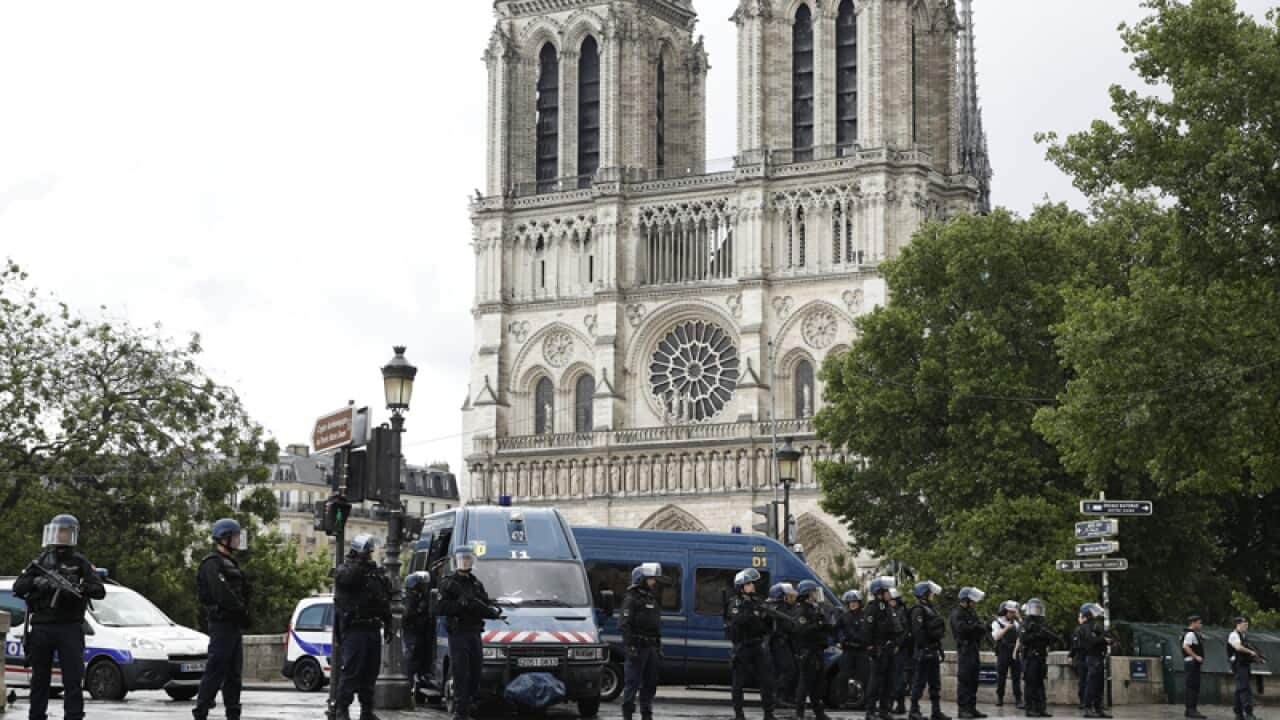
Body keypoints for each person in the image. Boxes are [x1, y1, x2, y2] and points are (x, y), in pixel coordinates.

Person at [12, 514, 106, 720]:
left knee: (72, 679)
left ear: (72, 534)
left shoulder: (80, 562)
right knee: (39, 680)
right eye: (58, 531)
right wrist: (37, 583)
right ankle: (36, 716)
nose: (61, 536)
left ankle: (73, 717)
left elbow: (99, 590)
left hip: (69, 627)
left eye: (65, 532)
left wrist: (79, 586)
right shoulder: (41, 561)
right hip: (42, 628)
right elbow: (18, 587)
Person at [192, 518, 251, 720]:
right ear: (224, 538)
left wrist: (243, 613)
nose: (237, 540)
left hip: (233, 625)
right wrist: (240, 612)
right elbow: (222, 594)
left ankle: (233, 713)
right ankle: (201, 712)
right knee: (215, 670)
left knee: (234, 674)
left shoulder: (230, 562)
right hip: (222, 624)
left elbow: (240, 590)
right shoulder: (211, 563)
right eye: (234, 536)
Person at [437, 544, 502, 720]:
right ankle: (460, 711)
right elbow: (439, 607)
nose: (465, 562)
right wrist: (460, 605)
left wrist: (494, 610)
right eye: (462, 559)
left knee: (475, 671)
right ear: (456, 561)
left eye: (467, 558)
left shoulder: (476, 583)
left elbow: (485, 602)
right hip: (459, 633)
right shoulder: (449, 583)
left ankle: (468, 704)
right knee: (460, 672)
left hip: (474, 633)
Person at [333, 534, 393, 720]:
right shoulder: (346, 569)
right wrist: (359, 562)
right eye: (367, 552)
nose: (370, 556)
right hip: (354, 630)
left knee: (370, 672)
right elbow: (348, 581)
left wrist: (388, 622)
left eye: (370, 552)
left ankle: (367, 711)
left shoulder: (375, 573)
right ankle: (342, 710)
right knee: (351, 672)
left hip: (373, 628)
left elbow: (384, 600)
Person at [728, 568, 778, 720]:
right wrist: (751, 611)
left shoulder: (757, 602)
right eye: (749, 584)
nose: (753, 586)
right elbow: (738, 620)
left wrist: (769, 616)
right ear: (741, 587)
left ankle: (769, 713)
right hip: (742, 646)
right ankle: (739, 714)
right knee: (738, 682)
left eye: (752, 584)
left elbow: (765, 626)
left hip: (757, 646)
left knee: (767, 680)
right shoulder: (735, 603)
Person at [620, 562, 664, 720]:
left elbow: (656, 626)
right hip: (637, 648)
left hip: (651, 648)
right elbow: (624, 625)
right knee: (632, 684)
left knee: (650, 684)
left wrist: (658, 647)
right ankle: (628, 716)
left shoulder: (651, 599)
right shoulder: (631, 599)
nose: (654, 582)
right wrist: (630, 646)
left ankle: (647, 714)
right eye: (651, 579)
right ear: (641, 579)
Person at [791, 579, 832, 720]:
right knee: (805, 684)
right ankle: (799, 713)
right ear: (808, 593)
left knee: (817, 685)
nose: (816, 594)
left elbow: (824, 625)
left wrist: (825, 623)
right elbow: (801, 630)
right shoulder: (801, 610)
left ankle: (818, 712)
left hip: (818, 651)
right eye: (814, 591)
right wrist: (817, 625)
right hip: (807, 652)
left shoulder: (815, 608)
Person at [908, 581, 948, 720]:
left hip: (932, 650)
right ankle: (913, 711)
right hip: (923, 652)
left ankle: (936, 711)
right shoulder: (918, 609)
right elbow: (918, 632)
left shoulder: (930, 608)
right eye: (930, 593)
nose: (932, 595)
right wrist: (924, 647)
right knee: (919, 682)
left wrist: (938, 648)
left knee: (935, 683)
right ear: (924, 594)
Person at [861, 577, 899, 720]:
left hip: (889, 649)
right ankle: (870, 711)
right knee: (875, 682)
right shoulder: (872, 608)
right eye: (887, 591)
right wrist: (871, 647)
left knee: (888, 682)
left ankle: (884, 709)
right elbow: (866, 630)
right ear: (879, 593)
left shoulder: (888, 607)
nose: (890, 594)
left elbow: (895, 628)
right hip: (879, 649)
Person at [950, 586, 988, 720]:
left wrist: (978, 628)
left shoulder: (971, 612)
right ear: (966, 600)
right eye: (972, 600)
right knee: (965, 680)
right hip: (965, 649)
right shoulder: (957, 613)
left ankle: (971, 708)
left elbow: (980, 627)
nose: (975, 603)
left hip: (973, 648)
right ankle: (963, 709)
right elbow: (961, 630)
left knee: (973, 680)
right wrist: (976, 628)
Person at [1019, 599, 1057, 719]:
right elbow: (1023, 638)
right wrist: (1036, 636)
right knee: (1030, 683)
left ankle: (1041, 708)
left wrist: (1047, 638)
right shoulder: (1026, 622)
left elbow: (1050, 637)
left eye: (1039, 608)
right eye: (1035, 608)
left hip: (1041, 656)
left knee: (1040, 683)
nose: (1037, 610)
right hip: (1030, 657)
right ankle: (1030, 708)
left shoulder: (1042, 622)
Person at [402, 571, 435, 701]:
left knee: (419, 661)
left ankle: (417, 690)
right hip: (412, 634)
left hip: (420, 634)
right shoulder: (410, 599)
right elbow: (408, 617)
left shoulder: (420, 597)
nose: (424, 587)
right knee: (411, 662)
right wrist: (420, 615)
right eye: (421, 584)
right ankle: (407, 689)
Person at [836, 590, 870, 712]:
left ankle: (868, 703)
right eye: (850, 602)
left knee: (866, 676)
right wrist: (842, 639)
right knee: (843, 676)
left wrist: (860, 639)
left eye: (855, 602)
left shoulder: (865, 615)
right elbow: (838, 630)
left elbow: (867, 631)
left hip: (861, 651)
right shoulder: (844, 616)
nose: (853, 604)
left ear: (860, 603)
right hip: (848, 651)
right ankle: (842, 701)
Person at [1075, 604, 1110, 719]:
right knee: (1091, 684)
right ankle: (1088, 708)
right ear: (1088, 613)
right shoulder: (1085, 627)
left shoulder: (1095, 625)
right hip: (1092, 657)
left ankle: (1098, 709)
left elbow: (1105, 636)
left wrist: (1109, 639)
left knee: (1099, 684)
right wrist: (1103, 639)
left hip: (1099, 657)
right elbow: (1091, 641)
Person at [770, 583, 800, 709]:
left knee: (789, 670)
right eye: (788, 596)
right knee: (788, 669)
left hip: (784, 643)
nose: (792, 598)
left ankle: (786, 696)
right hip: (779, 643)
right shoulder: (780, 608)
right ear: (782, 597)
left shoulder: (784, 607)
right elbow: (789, 626)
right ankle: (779, 697)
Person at [992, 600, 1024, 709]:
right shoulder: (997, 622)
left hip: (1014, 651)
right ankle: (1000, 698)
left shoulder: (1014, 623)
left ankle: (1018, 699)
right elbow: (996, 637)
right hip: (1003, 652)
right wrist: (1006, 628)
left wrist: (1019, 618)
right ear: (1004, 611)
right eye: (1010, 612)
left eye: (1013, 612)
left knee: (1016, 676)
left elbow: (1023, 630)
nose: (1012, 614)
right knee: (1001, 676)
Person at [1228, 616, 1260, 720]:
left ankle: (1238, 714)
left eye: (1247, 624)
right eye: (1244, 624)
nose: (1246, 626)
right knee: (1245, 689)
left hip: (1244, 665)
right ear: (1238, 624)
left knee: (1239, 689)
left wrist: (1257, 658)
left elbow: (1245, 650)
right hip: (1239, 666)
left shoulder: (1243, 635)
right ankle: (1249, 713)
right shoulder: (1234, 635)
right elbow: (1238, 647)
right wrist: (1251, 652)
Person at [890, 588, 914, 716]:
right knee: (894, 678)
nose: (890, 602)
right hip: (893, 649)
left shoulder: (901, 612)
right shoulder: (891, 611)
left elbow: (904, 632)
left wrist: (898, 645)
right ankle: (898, 704)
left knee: (899, 678)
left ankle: (899, 705)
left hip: (900, 650)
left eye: (892, 600)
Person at [1180, 615, 1206, 719]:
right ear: (1193, 623)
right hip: (1192, 663)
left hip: (1192, 663)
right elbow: (1185, 647)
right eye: (1199, 623)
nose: (1201, 625)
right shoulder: (1190, 634)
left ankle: (1189, 709)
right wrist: (1196, 657)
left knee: (1192, 686)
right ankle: (1192, 710)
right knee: (1193, 687)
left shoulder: (1190, 633)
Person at [1068, 613, 1088, 711]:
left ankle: (1083, 702)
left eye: (1080, 617)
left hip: (1081, 658)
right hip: (1088, 658)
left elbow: (1075, 645)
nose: (1078, 618)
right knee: (1088, 681)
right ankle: (1088, 702)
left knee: (1083, 681)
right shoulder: (1090, 628)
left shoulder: (1078, 630)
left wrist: (1070, 656)